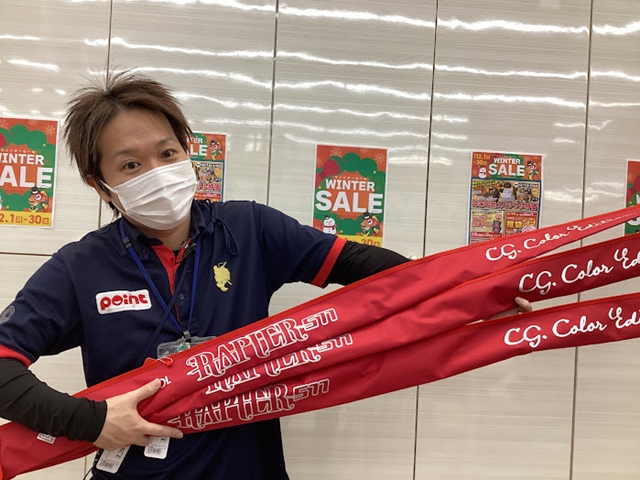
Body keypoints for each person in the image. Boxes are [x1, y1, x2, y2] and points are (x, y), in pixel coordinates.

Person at [0, 73, 530, 479]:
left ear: (187, 150)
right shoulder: (81, 266)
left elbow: (363, 267)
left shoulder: (248, 229)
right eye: (131, 166)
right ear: (100, 184)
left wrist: (474, 291)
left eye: (167, 153)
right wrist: (91, 422)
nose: (158, 173)